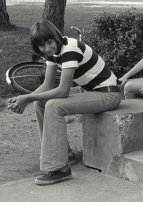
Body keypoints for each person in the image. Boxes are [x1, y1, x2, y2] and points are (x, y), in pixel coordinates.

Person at [7, 20, 122, 186]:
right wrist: (26, 99)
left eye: (49, 42)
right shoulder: (53, 52)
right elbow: (47, 85)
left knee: (54, 105)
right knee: (40, 103)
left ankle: (59, 168)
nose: (47, 48)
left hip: (109, 95)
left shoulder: (69, 49)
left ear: (55, 37)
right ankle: (63, 154)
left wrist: (27, 97)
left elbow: (63, 91)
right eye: (41, 46)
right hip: (92, 93)